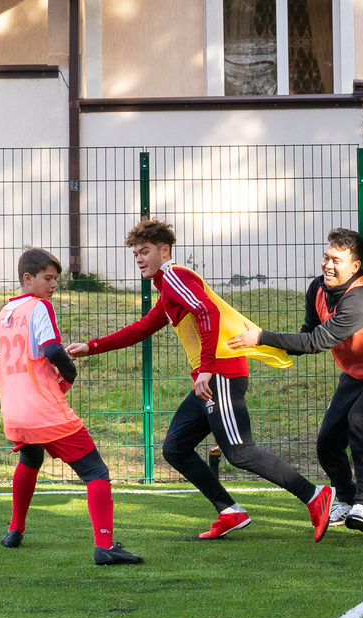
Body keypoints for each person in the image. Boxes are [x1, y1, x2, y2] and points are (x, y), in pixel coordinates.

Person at [68, 217, 332, 542]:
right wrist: (91, 347)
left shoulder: (175, 276)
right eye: (135, 253)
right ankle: (228, 511)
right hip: (210, 377)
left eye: (145, 251)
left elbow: (208, 312)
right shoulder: (167, 288)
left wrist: (206, 367)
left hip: (219, 374)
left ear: (164, 250)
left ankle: (315, 495)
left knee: (239, 451)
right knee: (175, 448)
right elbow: (142, 328)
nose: (139, 258)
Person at [240, 227, 363, 535]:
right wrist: (263, 348)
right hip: (356, 371)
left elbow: (319, 340)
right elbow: (308, 331)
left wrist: (261, 338)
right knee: (327, 441)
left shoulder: (362, 299)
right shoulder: (317, 289)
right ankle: (346, 500)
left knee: (359, 421)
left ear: (355, 266)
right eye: (326, 257)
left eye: (336, 259)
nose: (327, 265)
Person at [0, 247, 141, 564]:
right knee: (95, 471)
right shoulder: (39, 306)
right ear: (28, 279)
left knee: (30, 460)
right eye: (48, 278)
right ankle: (105, 547)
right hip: (45, 409)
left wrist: (18, 391)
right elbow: (52, 349)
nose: (53, 285)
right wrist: (69, 373)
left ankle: (15, 530)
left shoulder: (4, 314)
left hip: (16, 413)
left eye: (55, 279)